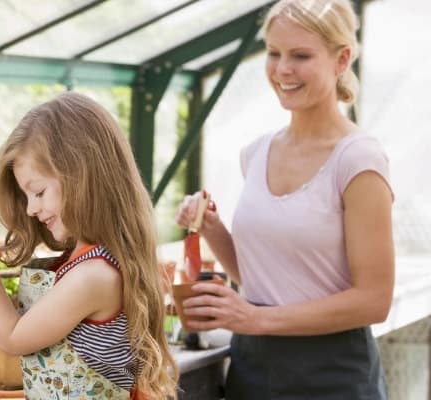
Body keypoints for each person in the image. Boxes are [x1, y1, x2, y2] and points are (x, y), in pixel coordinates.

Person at [175, 0, 394, 398]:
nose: (282, 69)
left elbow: (374, 301)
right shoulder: (255, 154)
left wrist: (256, 320)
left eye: (301, 55)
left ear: (342, 59)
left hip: (334, 376)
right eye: (273, 53)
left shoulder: (358, 159)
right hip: (253, 371)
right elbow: (263, 277)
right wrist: (211, 226)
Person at [0, 92, 178, 399]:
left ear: (83, 179)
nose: (30, 208)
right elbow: (22, 204)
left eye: (38, 193)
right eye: (28, 194)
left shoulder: (93, 276)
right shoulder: (95, 253)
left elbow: (13, 338)